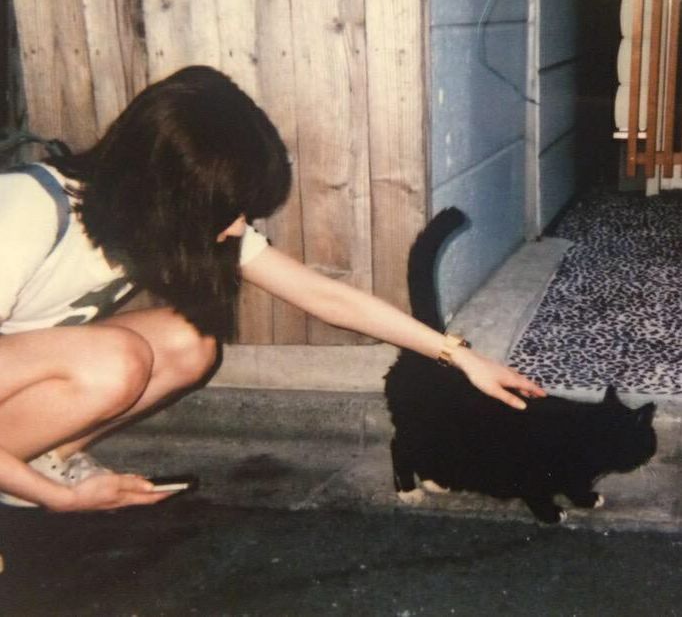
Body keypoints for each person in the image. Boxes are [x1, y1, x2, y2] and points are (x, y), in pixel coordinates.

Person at [0, 65, 545, 512]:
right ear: (165, 193)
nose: (238, 227)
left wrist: (457, 356)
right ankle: (32, 483)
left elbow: (325, 297)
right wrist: (59, 502)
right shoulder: (24, 210)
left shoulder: (150, 218)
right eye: (227, 211)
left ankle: (42, 459)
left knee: (191, 346)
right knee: (115, 361)